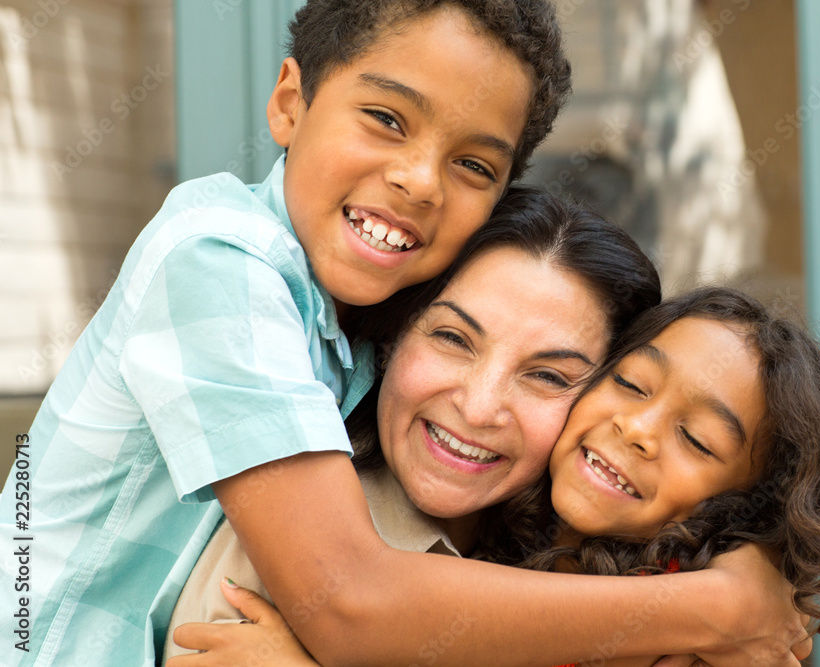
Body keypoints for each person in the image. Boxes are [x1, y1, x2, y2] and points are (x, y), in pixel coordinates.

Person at [0, 2, 570, 665]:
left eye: (473, 165)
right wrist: (701, 609)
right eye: (387, 120)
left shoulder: (373, 332)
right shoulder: (214, 256)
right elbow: (347, 599)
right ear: (290, 103)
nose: (419, 181)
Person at [164, 191, 814, 666]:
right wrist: (719, 603)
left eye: (548, 375)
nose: (478, 407)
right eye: (452, 337)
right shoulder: (304, 536)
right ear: (394, 335)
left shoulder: (569, 569)